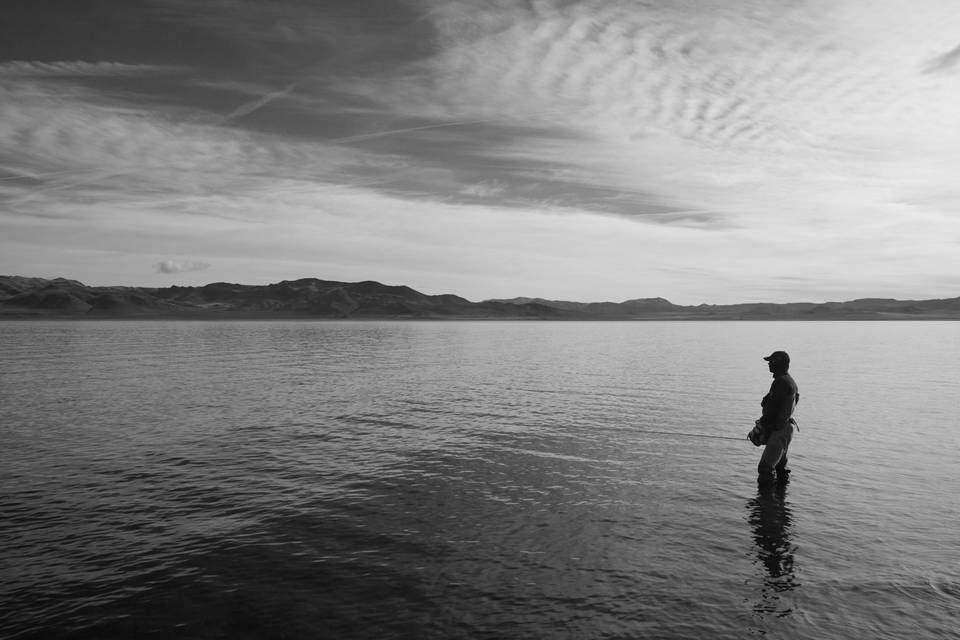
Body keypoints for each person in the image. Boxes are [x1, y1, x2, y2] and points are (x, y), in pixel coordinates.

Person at [757, 350, 799, 485]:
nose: (769, 364)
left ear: (779, 364)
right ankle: (780, 503)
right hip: (785, 430)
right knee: (780, 468)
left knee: (765, 468)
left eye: (771, 362)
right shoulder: (789, 380)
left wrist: (761, 425)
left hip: (779, 432)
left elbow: (772, 410)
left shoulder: (781, 382)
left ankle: (764, 504)